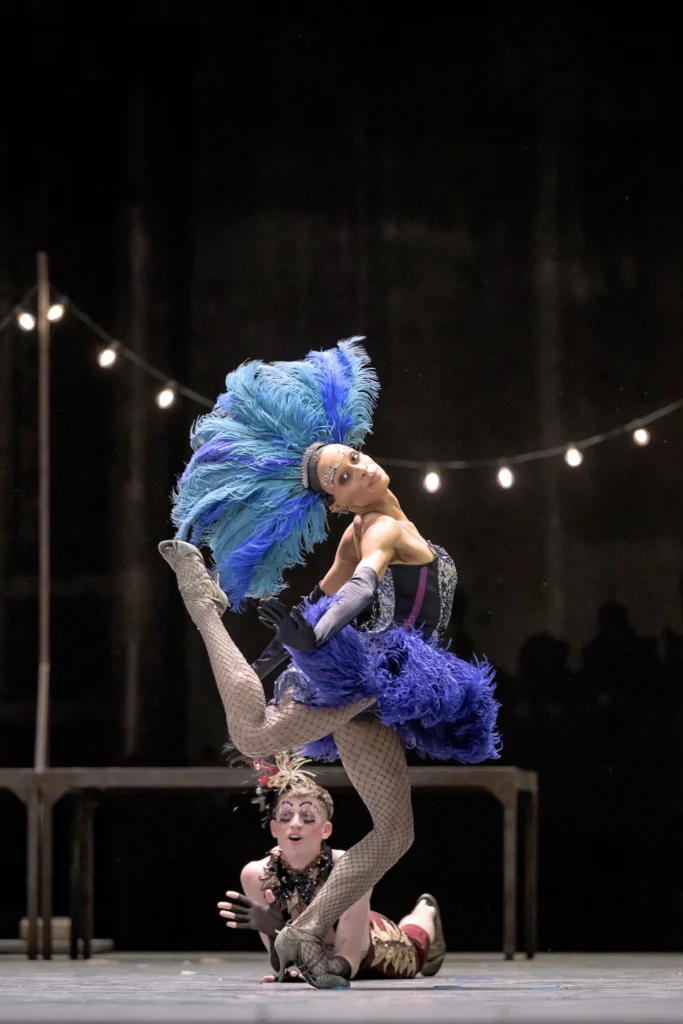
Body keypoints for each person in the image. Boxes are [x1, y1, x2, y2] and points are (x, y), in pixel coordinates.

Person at [159, 337, 500, 989]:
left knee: (394, 832)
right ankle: (202, 603)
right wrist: (316, 642)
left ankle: (307, 929)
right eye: (341, 479)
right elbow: (357, 589)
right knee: (255, 733)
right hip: (373, 675)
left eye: (352, 459)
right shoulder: (374, 528)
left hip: (379, 692)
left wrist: (291, 651)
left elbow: (319, 600)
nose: (358, 472)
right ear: (338, 504)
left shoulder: (365, 524)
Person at [217, 753, 446, 983]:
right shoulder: (257, 875)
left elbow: (349, 962)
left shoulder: (349, 866)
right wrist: (272, 929)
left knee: (415, 948)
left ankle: (426, 910)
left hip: (373, 947)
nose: (295, 823)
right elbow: (281, 965)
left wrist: (313, 969)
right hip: (318, 961)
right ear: (275, 828)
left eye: (307, 816)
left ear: (325, 830)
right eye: (286, 816)